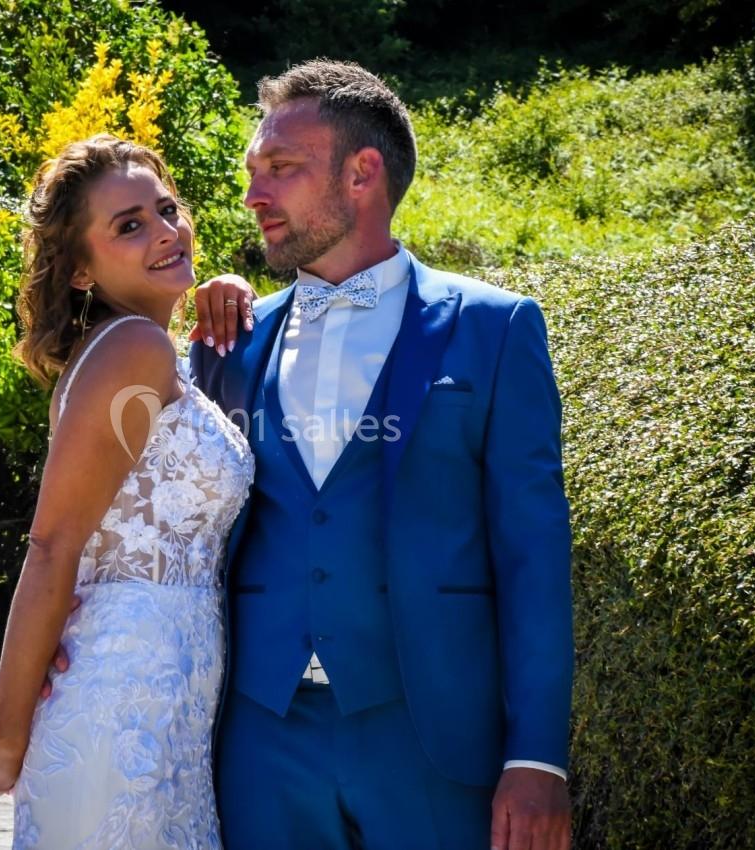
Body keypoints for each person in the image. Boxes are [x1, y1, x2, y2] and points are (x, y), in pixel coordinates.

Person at [187, 60, 574, 850]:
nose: (254, 195)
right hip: (261, 739)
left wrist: (538, 756)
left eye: (282, 170)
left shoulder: (495, 330)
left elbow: (534, 555)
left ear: (363, 173)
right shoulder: (233, 339)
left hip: (430, 735)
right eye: (253, 172)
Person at [0, 135, 254, 850]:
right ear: (79, 271)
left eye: (166, 210)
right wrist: (6, 729)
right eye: (129, 226)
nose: (164, 231)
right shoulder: (134, 349)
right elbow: (53, 544)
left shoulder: (149, 350)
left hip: (167, 702)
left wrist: (233, 292)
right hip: (119, 700)